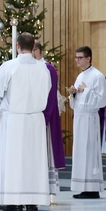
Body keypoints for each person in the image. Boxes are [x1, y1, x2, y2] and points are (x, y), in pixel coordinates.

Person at [0, 32, 51, 211]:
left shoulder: (9, 67)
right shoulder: (43, 68)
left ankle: (11, 200)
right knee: (34, 159)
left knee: (13, 160)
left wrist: (4, 110)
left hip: (14, 118)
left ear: (17, 46)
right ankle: (32, 200)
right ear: (33, 47)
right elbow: (46, 91)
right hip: (36, 119)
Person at [68, 46, 106, 199]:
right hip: (79, 118)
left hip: (90, 119)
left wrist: (86, 91)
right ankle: (83, 186)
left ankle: (92, 188)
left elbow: (102, 100)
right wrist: (73, 94)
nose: (77, 60)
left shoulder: (98, 76)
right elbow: (77, 99)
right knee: (80, 152)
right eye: (76, 57)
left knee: (89, 152)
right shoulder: (80, 76)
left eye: (80, 57)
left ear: (88, 58)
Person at [33, 40, 66, 196]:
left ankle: (48, 187)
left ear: (37, 51)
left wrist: (45, 116)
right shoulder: (32, 68)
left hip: (45, 116)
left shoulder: (48, 69)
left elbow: (51, 96)